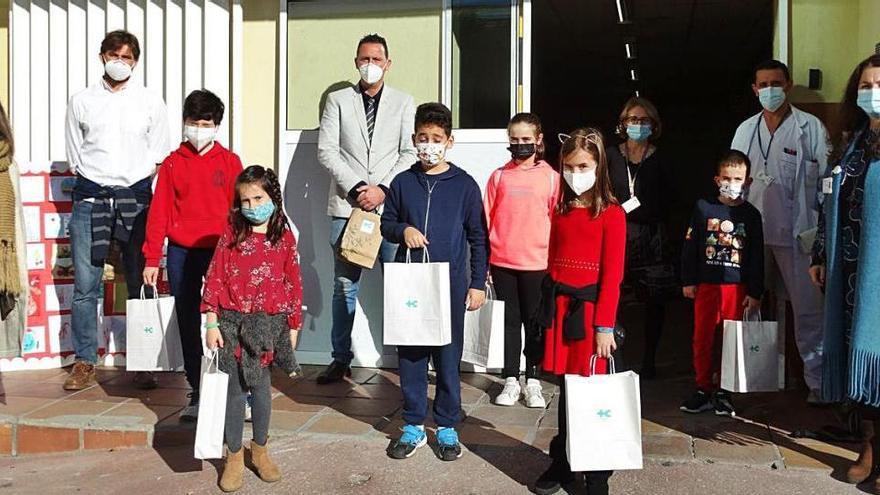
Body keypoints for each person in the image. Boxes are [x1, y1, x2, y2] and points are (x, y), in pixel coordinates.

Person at [380, 102, 488, 461]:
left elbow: (478, 237)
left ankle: (446, 425)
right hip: (410, 284)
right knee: (410, 355)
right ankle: (412, 424)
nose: (429, 145)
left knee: (447, 356)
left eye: (436, 139)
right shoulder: (402, 182)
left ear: (450, 142)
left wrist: (476, 283)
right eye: (423, 138)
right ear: (414, 139)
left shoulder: (465, 186)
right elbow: (387, 223)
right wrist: (403, 229)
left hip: (450, 283)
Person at [64, 30, 171, 391]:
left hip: (136, 200)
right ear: (101, 57)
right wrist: (100, 183)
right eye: (114, 55)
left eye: (127, 57)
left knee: (142, 280)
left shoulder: (151, 103)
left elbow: (158, 155)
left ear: (136, 61)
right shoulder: (81, 101)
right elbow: (75, 155)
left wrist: (130, 188)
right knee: (85, 284)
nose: (120, 62)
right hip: (90, 198)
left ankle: (144, 362)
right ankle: (84, 360)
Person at [316, 33, 417, 384]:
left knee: (399, 286)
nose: (370, 64)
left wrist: (382, 190)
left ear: (388, 63)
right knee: (344, 286)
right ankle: (340, 357)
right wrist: (359, 188)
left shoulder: (405, 102)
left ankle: (411, 358)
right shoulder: (338, 100)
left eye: (377, 59)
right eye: (364, 59)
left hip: (388, 210)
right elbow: (327, 150)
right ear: (356, 62)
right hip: (347, 207)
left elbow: (409, 152)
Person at [533, 128, 626, 495]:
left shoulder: (612, 214)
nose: (575, 173)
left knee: (593, 394)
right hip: (560, 310)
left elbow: (613, 276)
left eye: (583, 165)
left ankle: (598, 473)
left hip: (590, 318)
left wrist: (604, 325)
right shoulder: (560, 208)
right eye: (568, 167)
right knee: (568, 390)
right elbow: (553, 261)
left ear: (598, 165)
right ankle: (563, 460)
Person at [141, 89, 243, 421]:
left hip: (220, 249)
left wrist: (241, 250)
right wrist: (152, 257)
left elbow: (240, 209)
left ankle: (231, 387)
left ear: (216, 125)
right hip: (182, 251)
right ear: (184, 123)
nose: (199, 128)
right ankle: (197, 390)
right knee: (186, 319)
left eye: (206, 122)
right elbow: (159, 213)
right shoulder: (172, 164)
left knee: (227, 317)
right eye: (193, 122)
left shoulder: (230, 162)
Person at [731, 59, 828, 402]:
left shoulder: (811, 127)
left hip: (797, 235)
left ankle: (818, 386)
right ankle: (741, 378)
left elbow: (826, 183)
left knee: (808, 312)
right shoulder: (745, 130)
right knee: (745, 306)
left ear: (788, 85)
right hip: (752, 234)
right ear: (754, 89)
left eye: (776, 83)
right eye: (763, 84)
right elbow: (733, 179)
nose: (769, 90)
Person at [202, 165, 302, 493]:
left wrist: (293, 325)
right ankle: (232, 456)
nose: (251, 205)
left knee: (260, 387)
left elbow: (293, 281)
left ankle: (259, 450)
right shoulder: (232, 232)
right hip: (230, 321)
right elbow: (215, 275)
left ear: (273, 196)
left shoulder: (284, 236)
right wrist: (211, 320)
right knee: (234, 390)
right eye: (244, 200)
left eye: (258, 197)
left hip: (266, 325)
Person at [809, 54, 880, 488]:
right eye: (866, 85)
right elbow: (828, 201)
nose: (872, 92)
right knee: (861, 357)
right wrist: (819, 254)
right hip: (850, 273)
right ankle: (869, 445)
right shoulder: (851, 143)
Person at [679, 150, 764, 417]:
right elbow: (690, 246)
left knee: (731, 340)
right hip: (706, 284)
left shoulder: (751, 215)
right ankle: (703, 387)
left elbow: (757, 255)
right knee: (702, 337)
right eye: (727, 178)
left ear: (748, 181)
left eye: (738, 178)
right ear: (717, 179)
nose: (732, 183)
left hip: (736, 287)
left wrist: (755, 290)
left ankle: (725, 391)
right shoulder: (704, 207)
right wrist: (688, 279)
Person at [484, 112, 559, 408]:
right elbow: (486, 219)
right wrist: (487, 262)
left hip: (538, 264)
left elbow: (557, 220)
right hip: (503, 263)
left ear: (539, 140)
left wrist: (554, 262)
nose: (520, 145)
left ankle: (534, 380)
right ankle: (511, 380)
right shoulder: (499, 176)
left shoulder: (552, 179)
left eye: (526, 139)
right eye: (514, 140)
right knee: (510, 323)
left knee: (535, 323)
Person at [607, 96, 676, 379]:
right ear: (623, 124)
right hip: (618, 234)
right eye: (632, 120)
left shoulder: (662, 158)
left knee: (654, 301)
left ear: (654, 124)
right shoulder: (611, 155)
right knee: (613, 297)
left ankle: (649, 360)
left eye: (643, 120)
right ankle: (614, 355)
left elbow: (671, 198)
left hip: (652, 237)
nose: (638, 125)